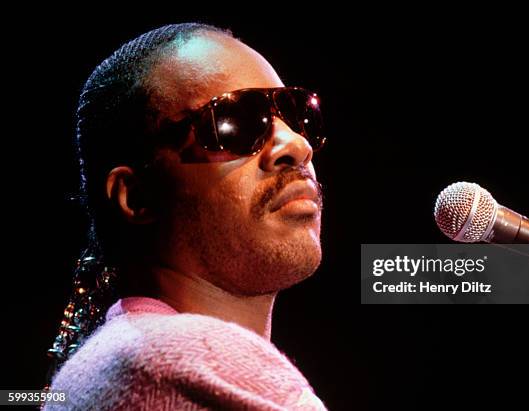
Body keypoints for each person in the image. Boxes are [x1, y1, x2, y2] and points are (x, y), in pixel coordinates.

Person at [45, 22, 327, 410]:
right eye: (235, 121)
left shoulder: (111, 361)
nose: (296, 145)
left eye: (295, 115)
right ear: (137, 196)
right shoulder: (181, 360)